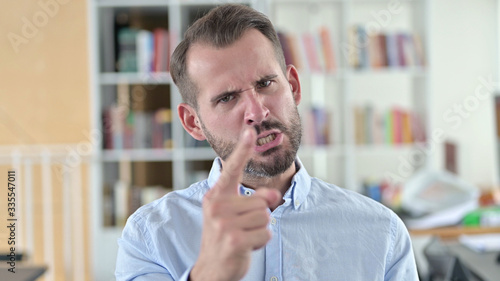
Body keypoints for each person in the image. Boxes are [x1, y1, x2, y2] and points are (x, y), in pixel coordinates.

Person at [115, 4, 419, 281]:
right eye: (227, 98)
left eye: (265, 84)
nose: (257, 112)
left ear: (294, 87)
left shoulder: (382, 233)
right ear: (194, 123)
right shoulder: (150, 237)